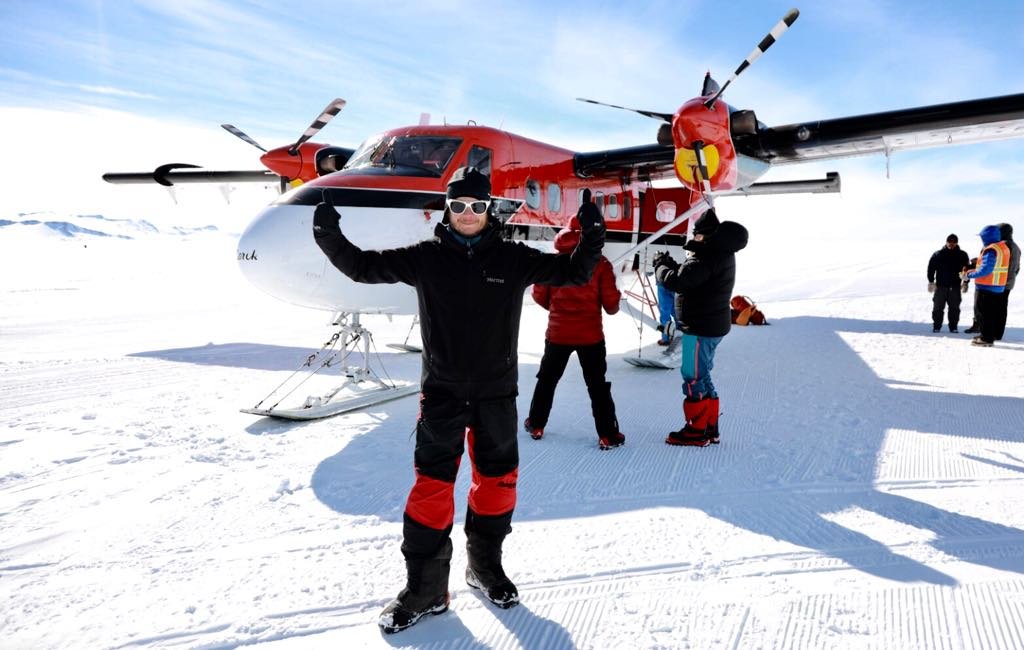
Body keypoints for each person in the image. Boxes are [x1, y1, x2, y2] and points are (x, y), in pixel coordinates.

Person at [312, 166, 605, 634]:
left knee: (497, 484)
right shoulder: (426, 258)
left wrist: (592, 235)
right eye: (459, 205)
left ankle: (484, 568)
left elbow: (575, 272)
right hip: (443, 395)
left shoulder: (513, 259)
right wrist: (328, 233)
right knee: (431, 489)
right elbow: (362, 267)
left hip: (496, 395)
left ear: (489, 210)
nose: (468, 213)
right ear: (447, 209)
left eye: (477, 205)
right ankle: (427, 590)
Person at [525, 217, 624, 450]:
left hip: (557, 334)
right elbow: (611, 306)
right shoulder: (601, 264)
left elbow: (538, 295)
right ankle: (608, 434)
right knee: (597, 385)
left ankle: (536, 424)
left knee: (547, 380)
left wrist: (558, 310)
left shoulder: (553, 261)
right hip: (591, 337)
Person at [653, 208, 748, 446]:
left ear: (707, 236)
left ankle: (696, 431)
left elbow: (679, 281)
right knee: (702, 374)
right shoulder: (717, 253)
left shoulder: (707, 256)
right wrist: (670, 263)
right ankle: (710, 428)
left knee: (692, 376)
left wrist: (659, 267)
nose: (694, 239)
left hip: (698, 328)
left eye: (697, 235)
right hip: (709, 325)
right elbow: (691, 275)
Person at [964, 224, 1011, 347]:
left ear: (986, 236)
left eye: (982, 237)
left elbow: (986, 270)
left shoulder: (991, 249)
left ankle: (986, 339)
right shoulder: (1003, 247)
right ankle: (988, 335)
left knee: (984, 314)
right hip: (998, 286)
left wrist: (969, 275)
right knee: (992, 313)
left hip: (986, 286)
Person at [926, 233, 970, 332]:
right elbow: (931, 268)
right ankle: (937, 326)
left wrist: (966, 282)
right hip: (940, 287)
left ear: (957, 243)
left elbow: (966, 270)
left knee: (954, 309)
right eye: (950, 241)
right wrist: (931, 281)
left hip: (955, 287)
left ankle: (953, 327)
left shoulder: (962, 255)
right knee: (938, 308)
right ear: (946, 242)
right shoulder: (938, 254)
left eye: (954, 242)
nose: (951, 244)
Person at [994, 222, 1020, 341]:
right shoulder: (1016, 247)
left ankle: (993, 333)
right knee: (1002, 307)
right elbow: (1017, 268)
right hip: (1009, 282)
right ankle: (998, 333)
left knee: (994, 308)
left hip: (999, 282)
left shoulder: (1004, 246)